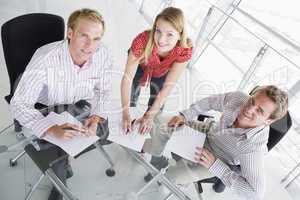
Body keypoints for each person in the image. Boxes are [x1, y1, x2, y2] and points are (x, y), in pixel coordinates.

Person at [10, 8, 112, 200]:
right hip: (41, 101)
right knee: (57, 148)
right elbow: (19, 104)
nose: (91, 45)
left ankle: (65, 162)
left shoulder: (103, 54)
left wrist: (96, 116)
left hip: (71, 101)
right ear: (70, 33)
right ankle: (60, 183)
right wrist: (51, 128)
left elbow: (104, 90)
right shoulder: (45, 58)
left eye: (97, 38)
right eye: (84, 36)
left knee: (103, 131)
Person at [143, 85, 288, 200]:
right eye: (252, 101)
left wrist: (217, 167)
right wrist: (185, 115)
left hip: (217, 159)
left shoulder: (254, 148)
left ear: (269, 121)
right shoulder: (238, 98)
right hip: (208, 131)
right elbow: (210, 102)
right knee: (159, 122)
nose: (249, 108)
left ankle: (170, 171)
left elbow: (255, 194)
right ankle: (158, 157)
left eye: (259, 111)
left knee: (171, 177)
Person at [120, 7, 193, 135]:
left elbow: (167, 87)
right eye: (158, 31)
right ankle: (131, 118)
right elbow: (127, 79)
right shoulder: (141, 41)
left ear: (180, 34)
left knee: (156, 104)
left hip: (163, 71)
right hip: (141, 65)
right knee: (132, 91)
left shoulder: (184, 50)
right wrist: (125, 113)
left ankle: (145, 129)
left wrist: (150, 115)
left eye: (170, 34)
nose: (161, 40)